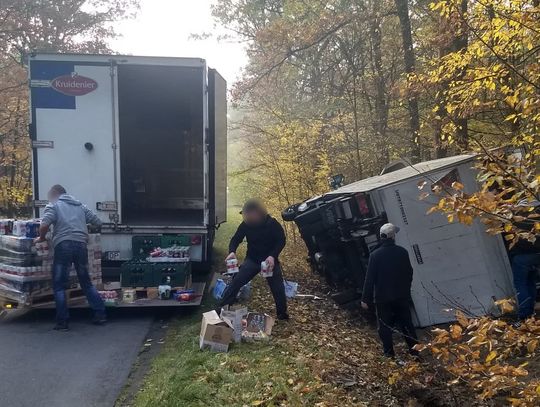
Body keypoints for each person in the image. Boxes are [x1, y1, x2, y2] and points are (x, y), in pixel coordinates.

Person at [35, 185, 106, 331]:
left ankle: (63, 322)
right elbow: (98, 222)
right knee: (86, 282)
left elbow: (44, 226)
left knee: (59, 284)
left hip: (63, 245)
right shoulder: (80, 206)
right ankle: (100, 314)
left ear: (55, 194)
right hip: (81, 246)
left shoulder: (53, 205)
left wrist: (41, 238)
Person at [219, 199, 289, 320]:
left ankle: (282, 314)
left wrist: (273, 255)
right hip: (252, 260)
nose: (247, 218)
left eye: (249, 214)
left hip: (269, 261)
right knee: (236, 282)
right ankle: (222, 309)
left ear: (258, 213)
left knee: (278, 288)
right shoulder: (246, 225)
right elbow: (236, 239)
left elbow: (281, 240)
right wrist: (232, 252)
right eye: (245, 215)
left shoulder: (272, 224)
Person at [361, 223, 418, 358]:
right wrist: (406, 289)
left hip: (382, 298)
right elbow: (409, 273)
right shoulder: (402, 252)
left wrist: (365, 299)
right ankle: (415, 352)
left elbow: (370, 278)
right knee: (407, 325)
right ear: (392, 236)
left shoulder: (375, 255)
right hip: (401, 296)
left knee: (384, 327)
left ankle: (389, 354)